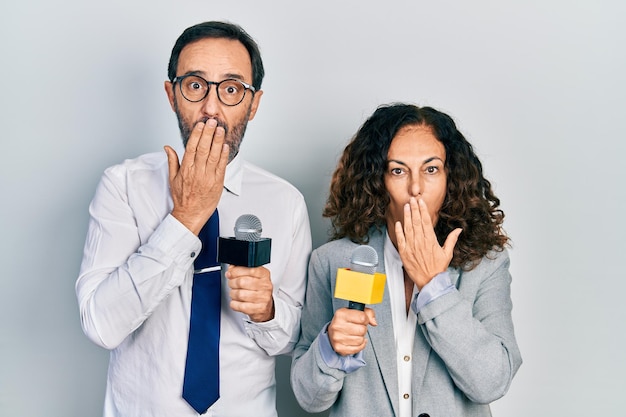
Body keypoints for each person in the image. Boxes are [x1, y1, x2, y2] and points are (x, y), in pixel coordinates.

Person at [76, 21, 312, 417]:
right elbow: (101, 325)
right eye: (196, 85)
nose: (212, 108)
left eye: (232, 89)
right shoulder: (123, 186)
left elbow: (292, 340)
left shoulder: (285, 202)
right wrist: (185, 218)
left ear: (254, 104)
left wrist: (267, 310)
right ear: (172, 95)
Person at [290, 103, 522, 416]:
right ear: (376, 181)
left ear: (450, 178)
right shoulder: (331, 261)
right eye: (398, 171)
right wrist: (331, 347)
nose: (416, 188)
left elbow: (492, 382)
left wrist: (434, 285)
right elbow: (309, 398)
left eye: (431, 169)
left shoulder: (486, 265)